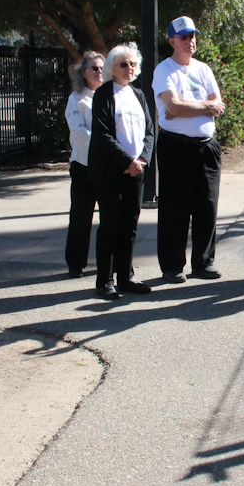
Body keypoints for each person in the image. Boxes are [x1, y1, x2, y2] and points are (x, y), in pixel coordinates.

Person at [153, 15, 226, 283]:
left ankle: (203, 263)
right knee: (175, 207)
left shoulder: (203, 70)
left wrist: (189, 106)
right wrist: (203, 107)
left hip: (207, 148)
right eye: (184, 37)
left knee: (207, 205)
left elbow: (218, 102)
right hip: (176, 147)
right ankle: (172, 266)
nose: (190, 42)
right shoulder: (164, 70)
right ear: (172, 41)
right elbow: (172, 107)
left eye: (192, 36)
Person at [88, 42, 155, 301]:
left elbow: (149, 131)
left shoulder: (138, 94)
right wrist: (127, 160)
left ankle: (126, 276)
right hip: (110, 172)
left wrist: (142, 160)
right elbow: (103, 134)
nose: (129, 68)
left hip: (136, 171)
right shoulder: (104, 94)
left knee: (129, 226)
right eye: (123, 64)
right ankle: (105, 279)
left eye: (133, 64)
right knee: (110, 226)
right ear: (112, 68)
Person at [64, 50, 104, 278]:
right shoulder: (77, 99)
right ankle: (76, 262)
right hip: (83, 165)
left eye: (101, 68)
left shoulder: (111, 94)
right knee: (81, 216)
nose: (99, 72)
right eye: (94, 68)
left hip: (107, 166)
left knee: (109, 216)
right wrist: (105, 145)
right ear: (83, 73)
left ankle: (108, 261)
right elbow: (79, 132)